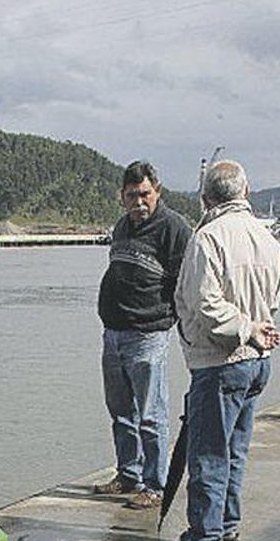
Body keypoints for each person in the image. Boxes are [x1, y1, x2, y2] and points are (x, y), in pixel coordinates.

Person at [174, 159, 280, 541]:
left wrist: (246, 330)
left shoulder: (208, 238)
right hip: (257, 364)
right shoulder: (269, 240)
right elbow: (274, 299)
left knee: (207, 456)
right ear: (246, 192)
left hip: (219, 363)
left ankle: (206, 533)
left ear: (205, 198)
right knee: (235, 452)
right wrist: (258, 328)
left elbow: (205, 304)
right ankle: (228, 526)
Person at [94, 160, 192, 508]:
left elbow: (186, 285)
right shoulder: (122, 227)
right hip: (113, 334)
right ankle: (128, 474)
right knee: (120, 411)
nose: (139, 202)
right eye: (132, 195)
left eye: (145, 195)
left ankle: (155, 484)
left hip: (148, 335)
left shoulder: (174, 228)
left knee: (151, 414)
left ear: (157, 192)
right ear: (122, 197)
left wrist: (178, 326)